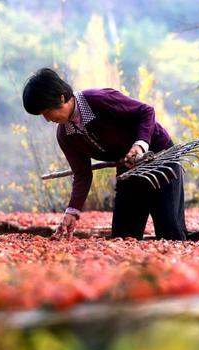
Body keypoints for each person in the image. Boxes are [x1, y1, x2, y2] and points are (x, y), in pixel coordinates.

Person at [22, 68, 187, 240]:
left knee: (170, 230)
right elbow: (82, 173)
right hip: (129, 169)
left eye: (47, 112)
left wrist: (140, 145)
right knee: (124, 236)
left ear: (61, 98)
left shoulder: (97, 100)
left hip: (160, 157)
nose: (47, 119)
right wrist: (73, 210)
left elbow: (146, 111)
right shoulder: (65, 135)